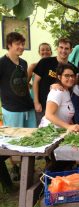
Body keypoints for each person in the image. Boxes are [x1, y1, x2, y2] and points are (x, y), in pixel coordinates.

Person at [0, 32, 36, 181]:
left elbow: (24, 83)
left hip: (28, 106)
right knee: (14, 141)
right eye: (18, 44)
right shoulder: (2, 63)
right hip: (12, 108)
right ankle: (15, 167)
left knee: (31, 139)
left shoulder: (23, 63)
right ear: (9, 45)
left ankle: (26, 168)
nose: (21, 47)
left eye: (22, 44)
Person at [33, 38, 73, 125]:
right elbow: (35, 82)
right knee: (44, 131)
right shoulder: (45, 62)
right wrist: (36, 102)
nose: (63, 50)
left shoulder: (72, 68)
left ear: (71, 50)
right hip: (43, 105)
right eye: (61, 47)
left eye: (66, 48)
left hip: (61, 108)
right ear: (57, 48)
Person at [39, 63, 79, 132]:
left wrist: (72, 125)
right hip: (49, 132)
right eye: (66, 76)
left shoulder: (67, 90)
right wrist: (68, 126)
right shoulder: (57, 91)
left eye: (72, 76)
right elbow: (48, 115)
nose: (70, 78)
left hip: (59, 131)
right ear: (59, 77)